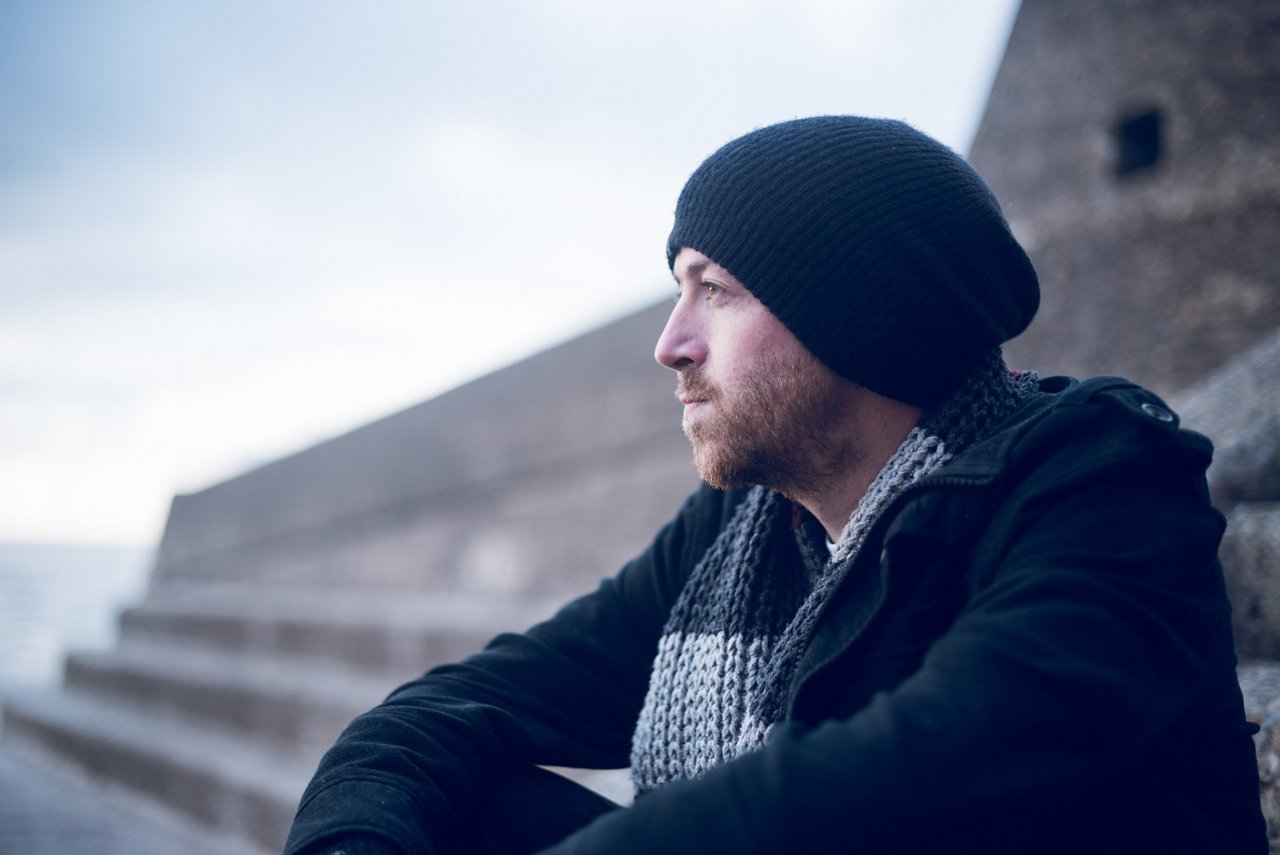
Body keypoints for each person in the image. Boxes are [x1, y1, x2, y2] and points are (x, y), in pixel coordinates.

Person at [284, 116, 1266, 854]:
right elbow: (448, 714)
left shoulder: (1098, 482)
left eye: (714, 291)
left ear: (856, 317)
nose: (670, 344)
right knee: (466, 800)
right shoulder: (743, 527)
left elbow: (929, 767)